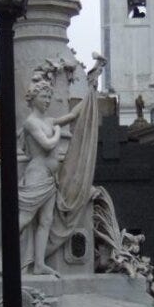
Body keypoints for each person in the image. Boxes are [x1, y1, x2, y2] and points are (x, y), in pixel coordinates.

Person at [16, 54, 106, 275]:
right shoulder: (31, 123)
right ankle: (9, 255)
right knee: (25, 218)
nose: (47, 100)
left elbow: (72, 115)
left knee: (46, 221)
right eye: (44, 96)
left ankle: (39, 264)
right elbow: (47, 144)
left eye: (49, 96)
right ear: (33, 98)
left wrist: (91, 91)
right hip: (36, 176)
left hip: (50, 179)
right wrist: (57, 132)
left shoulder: (48, 120)